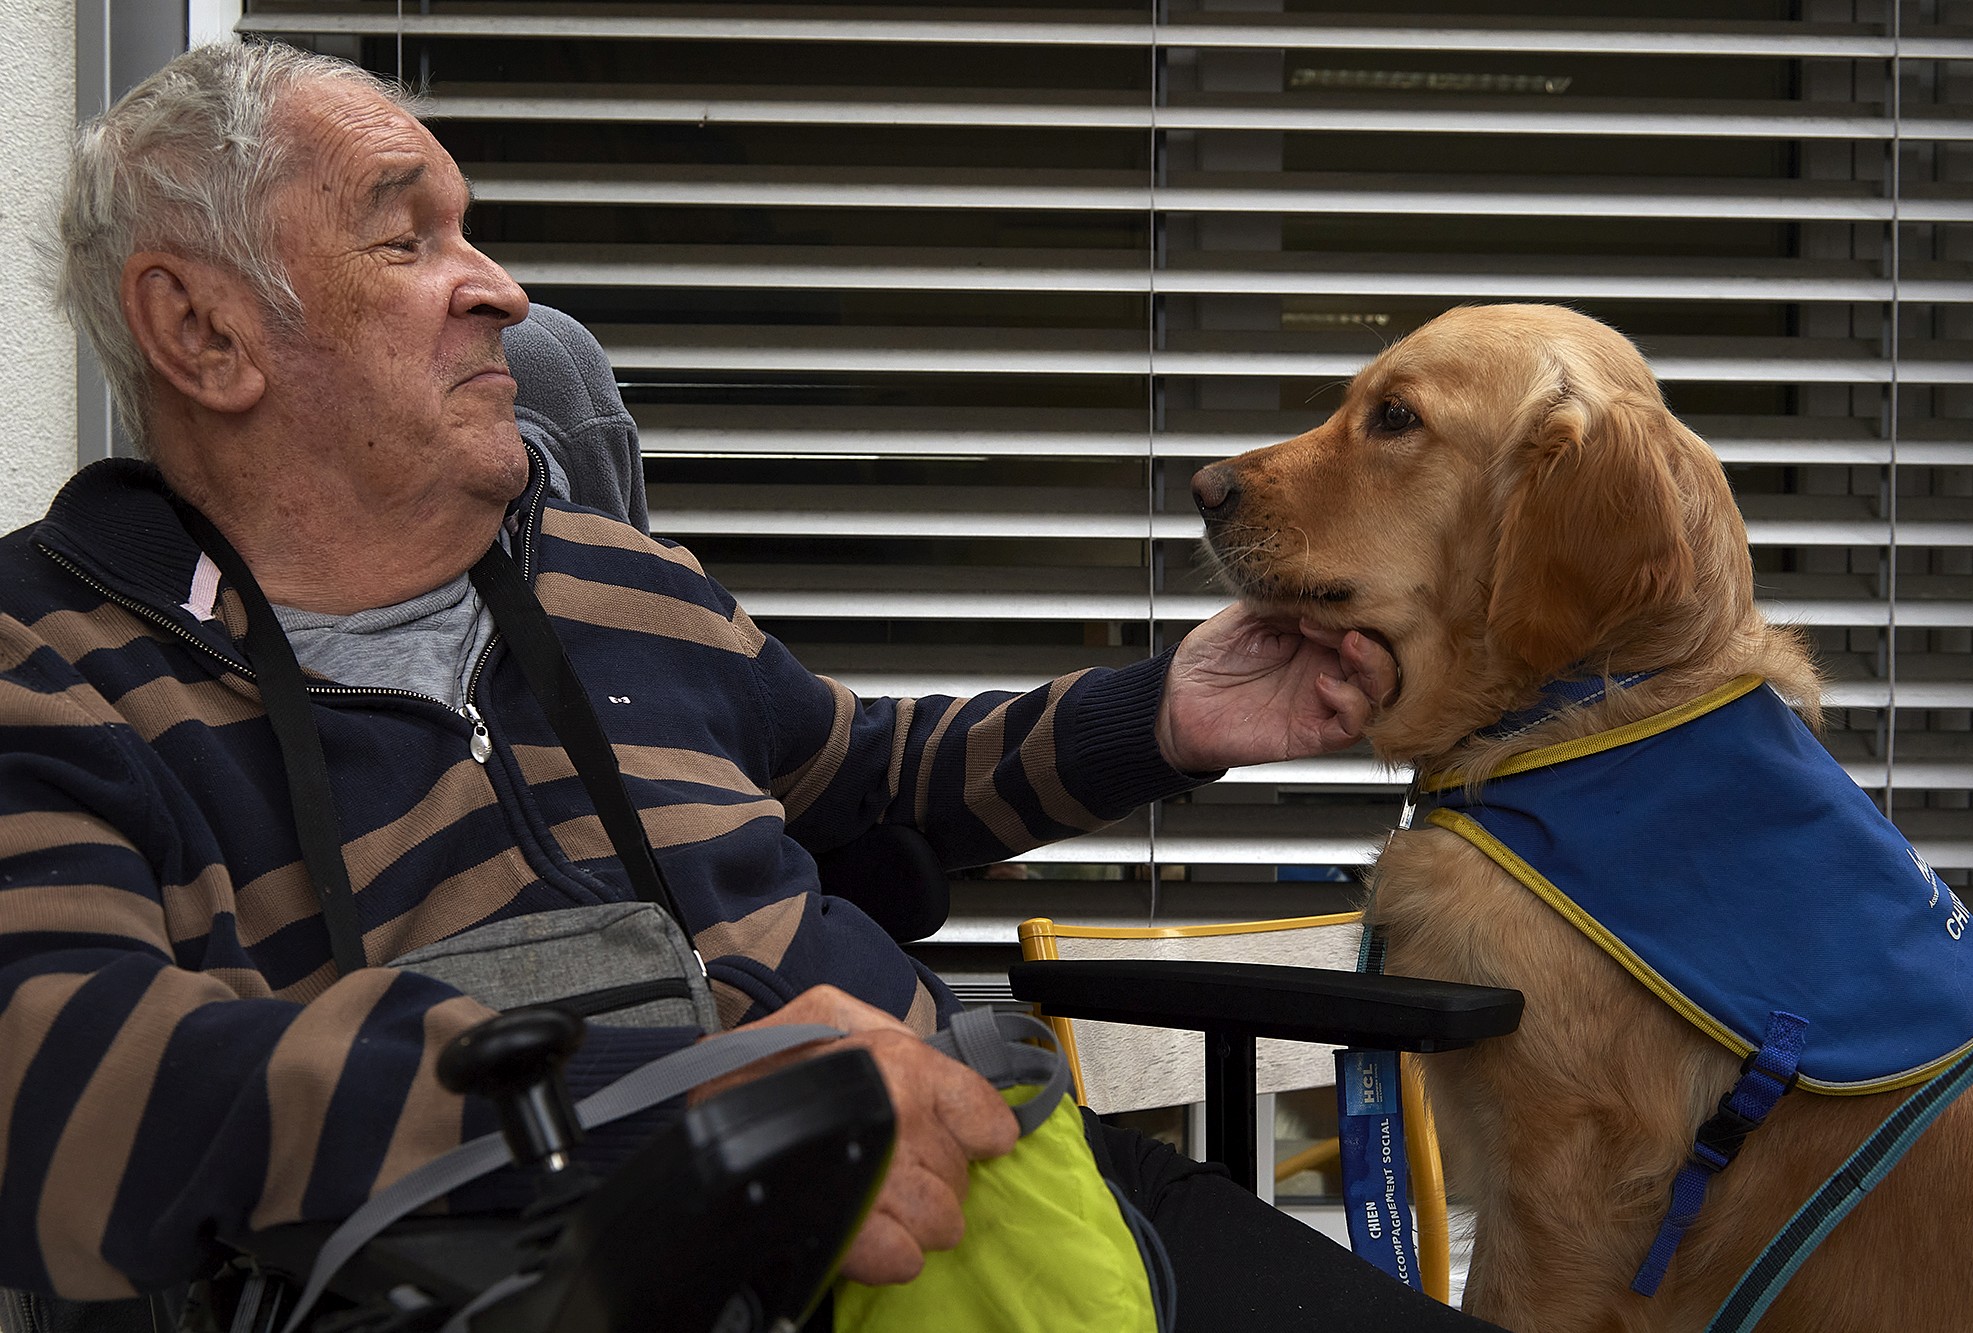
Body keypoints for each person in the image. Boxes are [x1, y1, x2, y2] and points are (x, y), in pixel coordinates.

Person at [0, 41, 1495, 1332]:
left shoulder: (612, 575)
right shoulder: (55, 661)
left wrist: (1164, 715)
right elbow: (58, 1082)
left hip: (995, 1185)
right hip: (589, 1273)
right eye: (410, 244)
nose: (504, 293)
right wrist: (670, 1101)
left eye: (476, 234)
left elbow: (861, 778)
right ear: (203, 331)